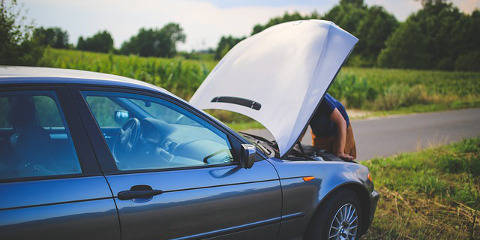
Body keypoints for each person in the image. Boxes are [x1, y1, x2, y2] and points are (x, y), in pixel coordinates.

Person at [309, 93, 356, 161]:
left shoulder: (321, 100)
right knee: (320, 161)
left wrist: (340, 152)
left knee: (340, 160)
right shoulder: (297, 105)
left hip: (340, 130)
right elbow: (301, 127)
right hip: (320, 133)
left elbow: (341, 122)